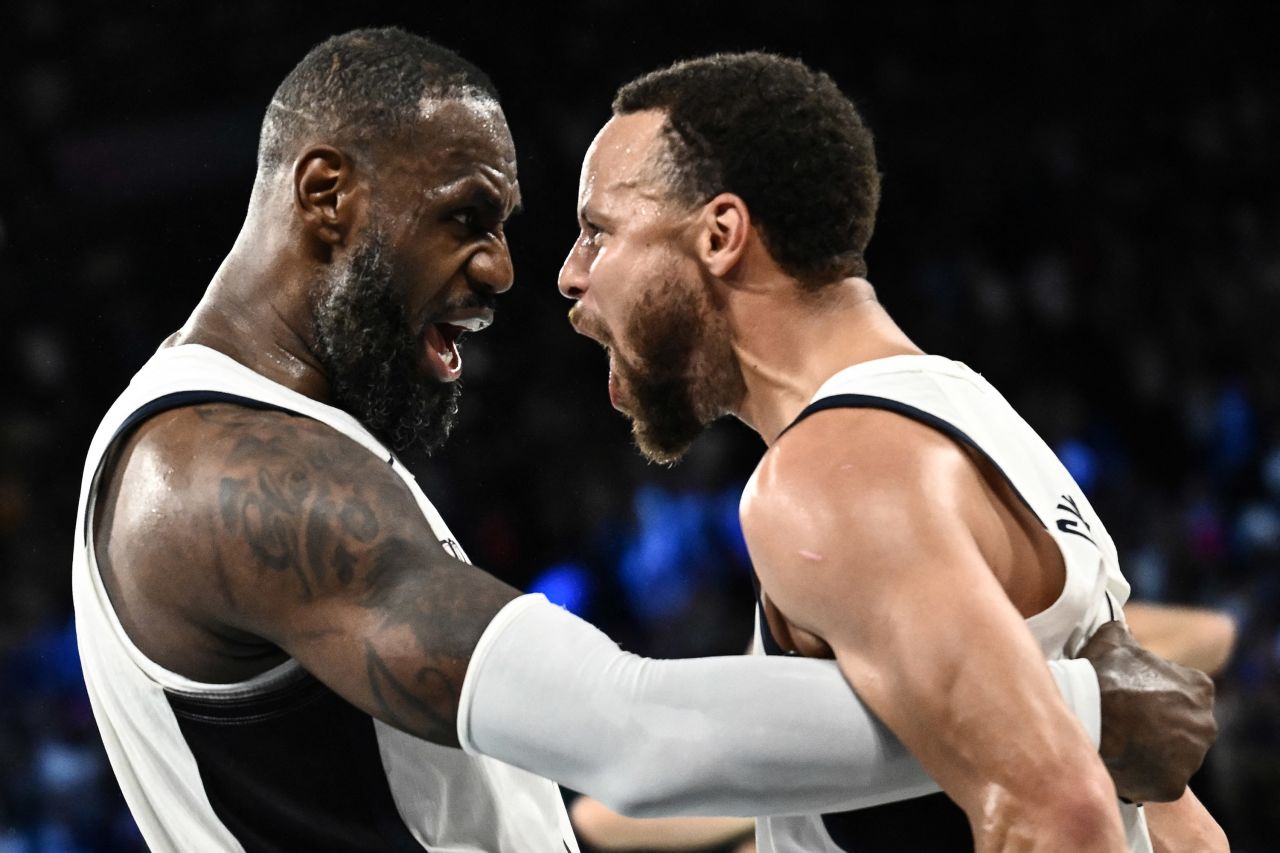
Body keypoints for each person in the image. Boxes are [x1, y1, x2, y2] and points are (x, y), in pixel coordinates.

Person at [72, 29, 1216, 852]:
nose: (521, 275)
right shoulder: (220, 472)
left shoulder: (875, 450)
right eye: (469, 216)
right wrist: (1072, 714)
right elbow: (631, 733)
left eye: (582, 232)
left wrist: (1037, 730)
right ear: (327, 194)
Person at [555, 52, 1228, 852]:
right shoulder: (956, 409)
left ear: (720, 235)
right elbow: (1182, 830)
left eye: (599, 232)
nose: (570, 274)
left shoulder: (831, 477)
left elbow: (1059, 817)